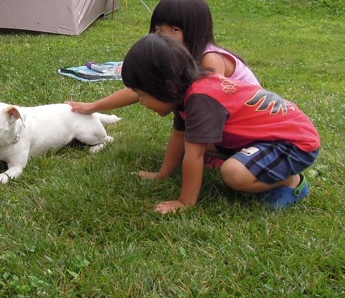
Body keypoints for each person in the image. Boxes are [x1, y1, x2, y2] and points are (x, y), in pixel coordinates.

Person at [122, 34, 320, 214]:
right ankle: (261, 167)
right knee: (195, 142)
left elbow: (195, 154)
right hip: (267, 138)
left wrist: (185, 202)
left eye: (143, 96)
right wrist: (163, 174)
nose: (141, 102)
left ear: (168, 86)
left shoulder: (201, 99)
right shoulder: (184, 92)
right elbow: (179, 136)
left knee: (233, 173)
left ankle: (291, 181)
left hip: (294, 143)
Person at [68, 0, 258, 117]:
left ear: (196, 30)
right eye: (159, 30)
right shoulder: (172, 59)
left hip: (252, 119)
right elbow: (139, 89)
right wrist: (93, 107)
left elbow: (211, 110)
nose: (165, 37)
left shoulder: (210, 59)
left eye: (175, 30)